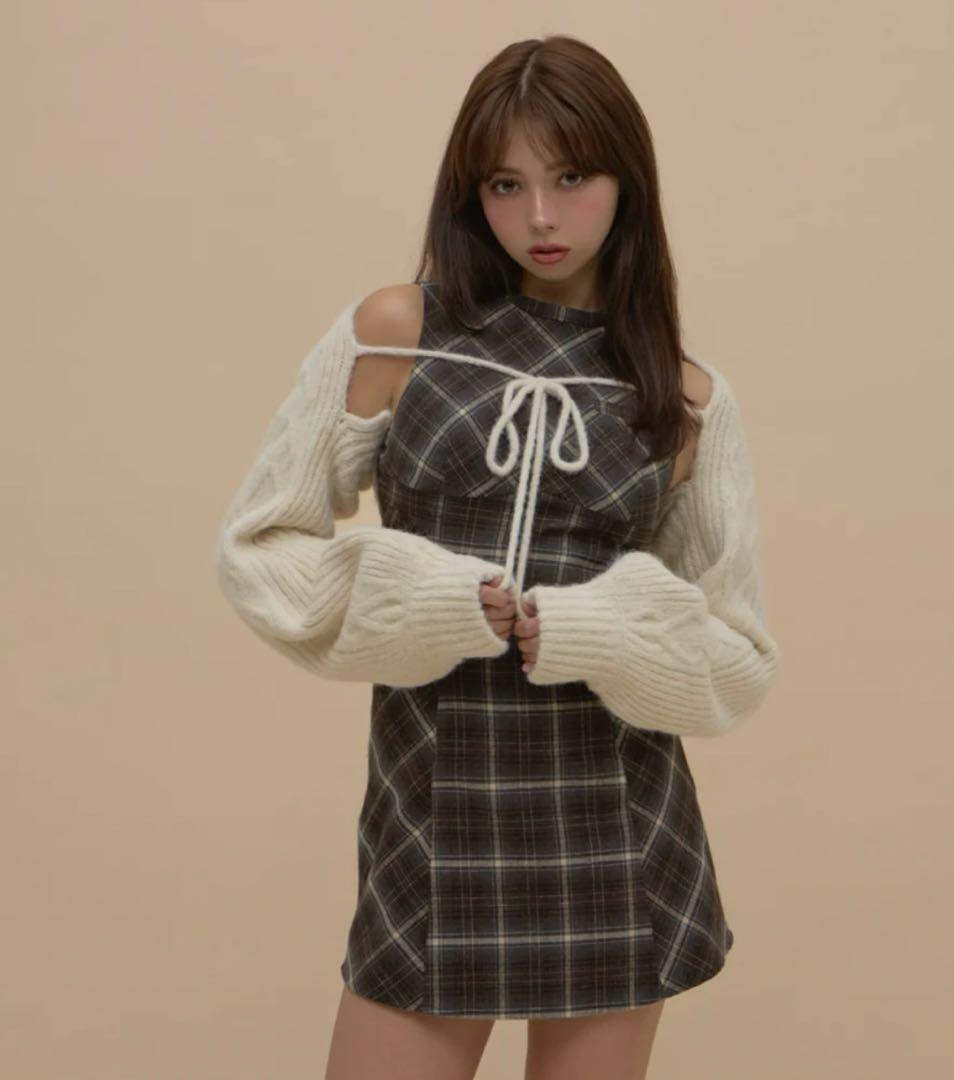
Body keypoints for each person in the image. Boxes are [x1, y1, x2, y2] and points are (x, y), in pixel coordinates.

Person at [214, 33, 781, 1080]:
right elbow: (261, 548)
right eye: (506, 185)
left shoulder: (686, 396)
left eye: (572, 178)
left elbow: (736, 660)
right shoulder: (397, 333)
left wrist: (590, 629)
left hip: (618, 833)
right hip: (433, 817)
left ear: (628, 181)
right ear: (470, 193)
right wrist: (422, 600)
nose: (540, 218)